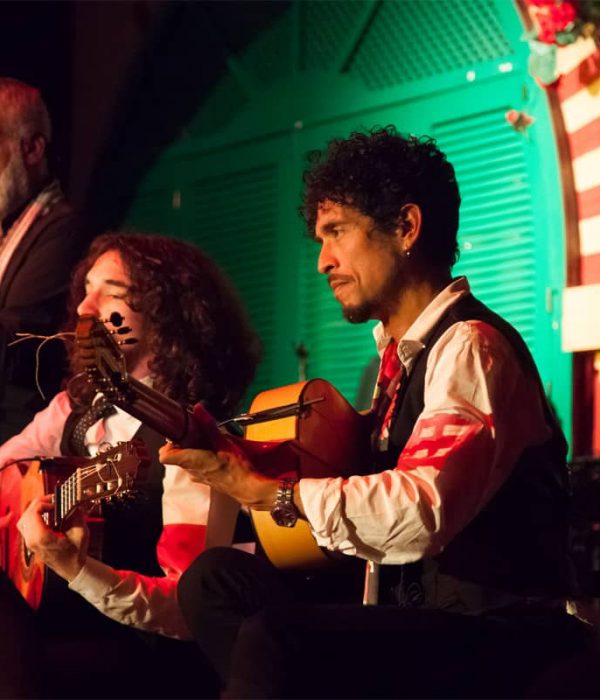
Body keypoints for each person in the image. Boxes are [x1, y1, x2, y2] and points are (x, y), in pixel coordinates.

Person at [162, 127, 591, 698]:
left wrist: (272, 494)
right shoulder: (397, 366)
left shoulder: (470, 346)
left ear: (406, 228)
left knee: (276, 636)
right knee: (213, 583)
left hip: (497, 634)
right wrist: (236, 464)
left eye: (336, 233)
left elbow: (423, 507)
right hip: (417, 621)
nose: (322, 262)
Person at [0, 231, 260, 698]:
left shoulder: (191, 443)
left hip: (144, 654)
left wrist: (78, 570)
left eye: (112, 295)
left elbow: (185, 607)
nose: (84, 308)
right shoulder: (73, 409)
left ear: (166, 321)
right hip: (62, 630)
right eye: (86, 291)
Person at [0, 77, 89, 443]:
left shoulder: (62, 230)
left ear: (32, 150)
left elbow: (15, 344)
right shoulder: (10, 229)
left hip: (23, 445)